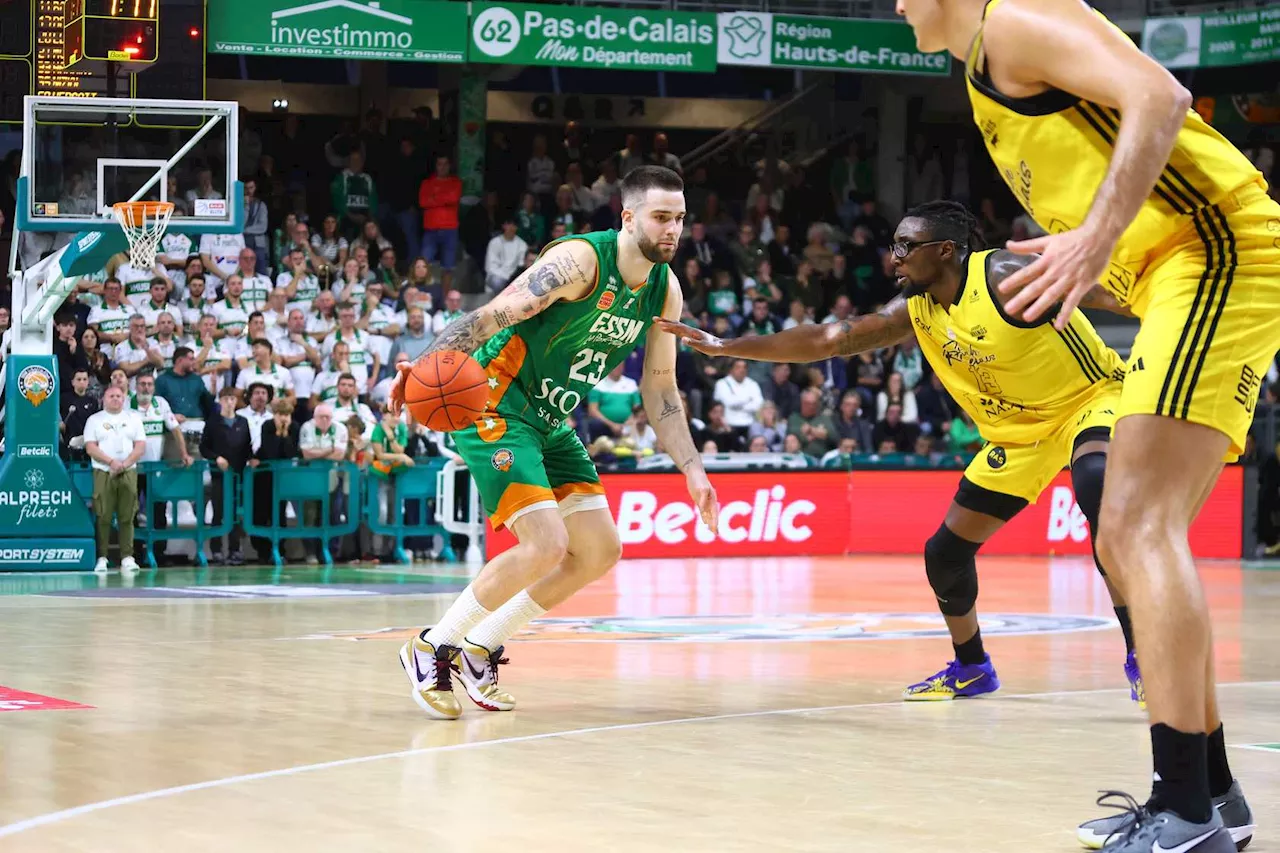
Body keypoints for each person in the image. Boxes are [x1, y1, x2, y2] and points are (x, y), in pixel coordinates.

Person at [897, 0, 1274, 844]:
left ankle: (1183, 810)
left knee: (1135, 526)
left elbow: (1161, 95)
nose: (892, 4)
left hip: (1213, 250)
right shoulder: (982, 75)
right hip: (1181, 268)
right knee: (1131, 530)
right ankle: (1211, 796)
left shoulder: (1014, 21)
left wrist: (1098, 236)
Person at [658, 201, 1145, 707]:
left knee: (1095, 484)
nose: (894, 258)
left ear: (945, 250)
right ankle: (972, 666)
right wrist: (727, 345)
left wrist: (1184, 307)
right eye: (894, 246)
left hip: (1090, 402)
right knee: (945, 554)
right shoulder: (917, 309)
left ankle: (1143, 655)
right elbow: (830, 338)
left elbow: (1110, 295)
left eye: (906, 247)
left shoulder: (1002, 273)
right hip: (1018, 432)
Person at [389, 165, 719, 720]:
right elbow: (494, 314)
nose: (673, 230)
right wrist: (425, 367)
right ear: (628, 216)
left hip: (552, 417)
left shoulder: (666, 291)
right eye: (662, 217)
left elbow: (660, 386)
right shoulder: (580, 262)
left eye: (680, 219)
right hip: (497, 400)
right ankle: (430, 646)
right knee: (544, 542)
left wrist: (692, 467)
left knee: (598, 550)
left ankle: (481, 644)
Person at [82, 386, 146, 573]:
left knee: (127, 515)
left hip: (128, 471)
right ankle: (102, 557)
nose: (116, 399)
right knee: (103, 515)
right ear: (104, 398)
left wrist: (124, 464)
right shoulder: (94, 420)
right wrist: (111, 462)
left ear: (124, 398)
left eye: (119, 396)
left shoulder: (133, 419)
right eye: (111, 396)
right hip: (103, 471)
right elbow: (91, 448)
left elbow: (140, 446)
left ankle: (127, 556)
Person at [200, 388, 254, 565]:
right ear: (220, 401)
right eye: (226, 399)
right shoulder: (213, 422)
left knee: (236, 513)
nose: (230, 402)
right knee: (218, 512)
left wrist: (252, 459)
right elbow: (204, 447)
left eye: (232, 398)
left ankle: (235, 549)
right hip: (219, 475)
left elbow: (247, 447)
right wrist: (217, 458)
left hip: (238, 475)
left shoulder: (243, 422)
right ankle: (216, 550)